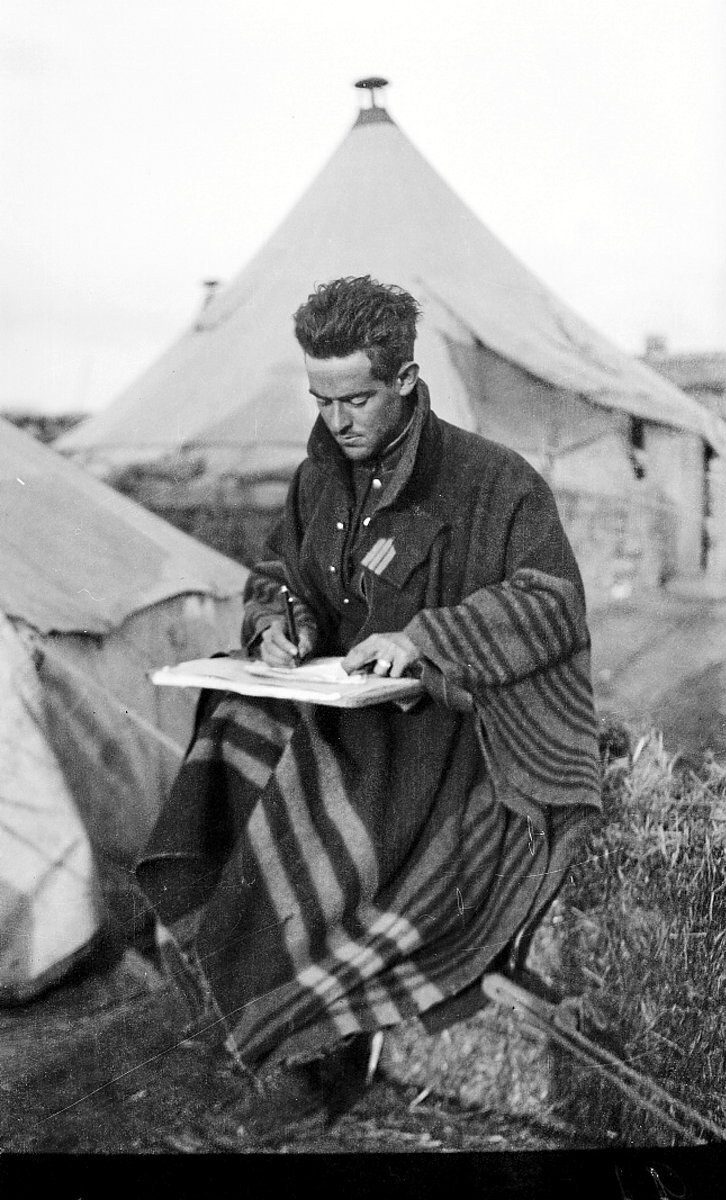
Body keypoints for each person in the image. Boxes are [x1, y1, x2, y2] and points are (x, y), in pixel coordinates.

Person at [136, 275, 601, 1140]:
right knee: (227, 740)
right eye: (320, 398)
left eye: (356, 398)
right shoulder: (319, 478)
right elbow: (280, 573)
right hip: (349, 704)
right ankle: (245, 989)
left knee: (305, 802)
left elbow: (551, 604)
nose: (338, 419)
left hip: (451, 724)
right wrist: (280, 622)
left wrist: (427, 637)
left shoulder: (492, 481)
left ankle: (312, 1055)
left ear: (407, 379)